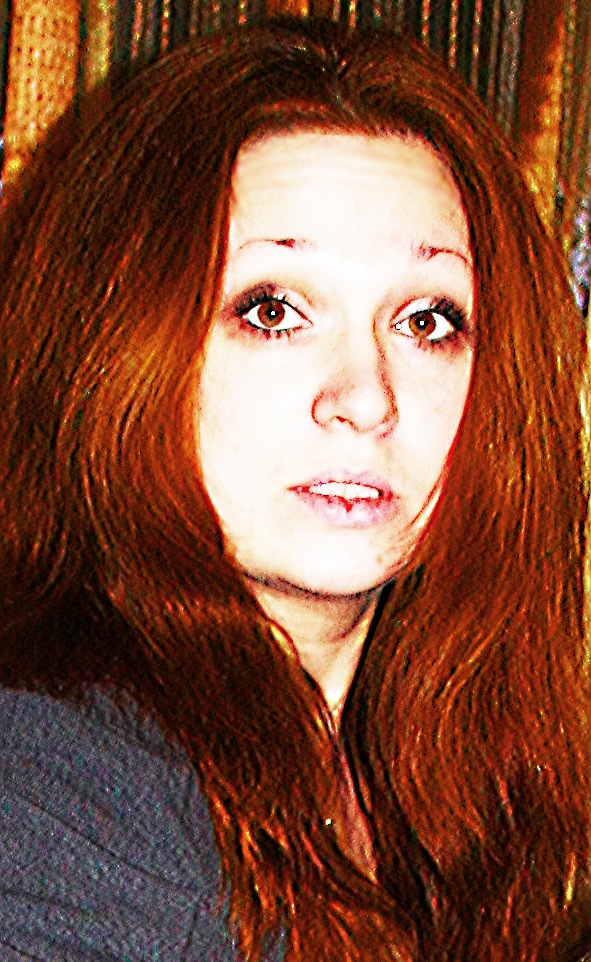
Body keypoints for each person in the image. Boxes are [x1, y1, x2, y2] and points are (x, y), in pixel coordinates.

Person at [0, 17, 589, 962]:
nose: (365, 397)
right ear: (120, 352)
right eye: (272, 310)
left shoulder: (450, 779)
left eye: (427, 321)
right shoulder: (49, 778)